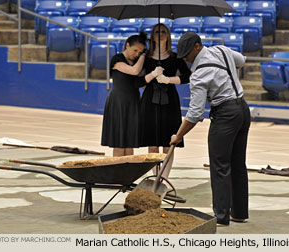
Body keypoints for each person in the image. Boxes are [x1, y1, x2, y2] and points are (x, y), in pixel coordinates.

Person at [170, 32, 251, 226]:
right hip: (242, 109)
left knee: (220, 166)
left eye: (188, 54)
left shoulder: (199, 75)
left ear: (198, 47)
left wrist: (178, 135)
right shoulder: (222, 50)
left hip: (225, 115)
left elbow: (195, 113)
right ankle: (239, 213)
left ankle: (221, 217)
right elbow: (241, 60)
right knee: (238, 164)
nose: (186, 59)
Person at [138, 24, 191, 179]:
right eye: (156, 32)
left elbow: (187, 76)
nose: (160, 34)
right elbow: (138, 80)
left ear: (167, 35)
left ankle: (165, 178)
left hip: (170, 101)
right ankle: (155, 178)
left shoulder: (175, 57)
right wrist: (152, 76)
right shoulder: (145, 57)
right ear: (152, 36)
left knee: (169, 142)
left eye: (163, 32)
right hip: (150, 101)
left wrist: (169, 79)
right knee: (152, 143)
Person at [101, 32, 156, 157]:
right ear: (127, 45)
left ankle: (128, 174)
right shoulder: (117, 59)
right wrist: (143, 56)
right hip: (118, 102)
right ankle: (117, 173)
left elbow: (141, 82)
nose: (136, 54)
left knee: (130, 143)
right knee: (119, 143)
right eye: (135, 50)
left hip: (134, 102)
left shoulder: (138, 62)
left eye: (140, 51)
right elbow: (134, 71)